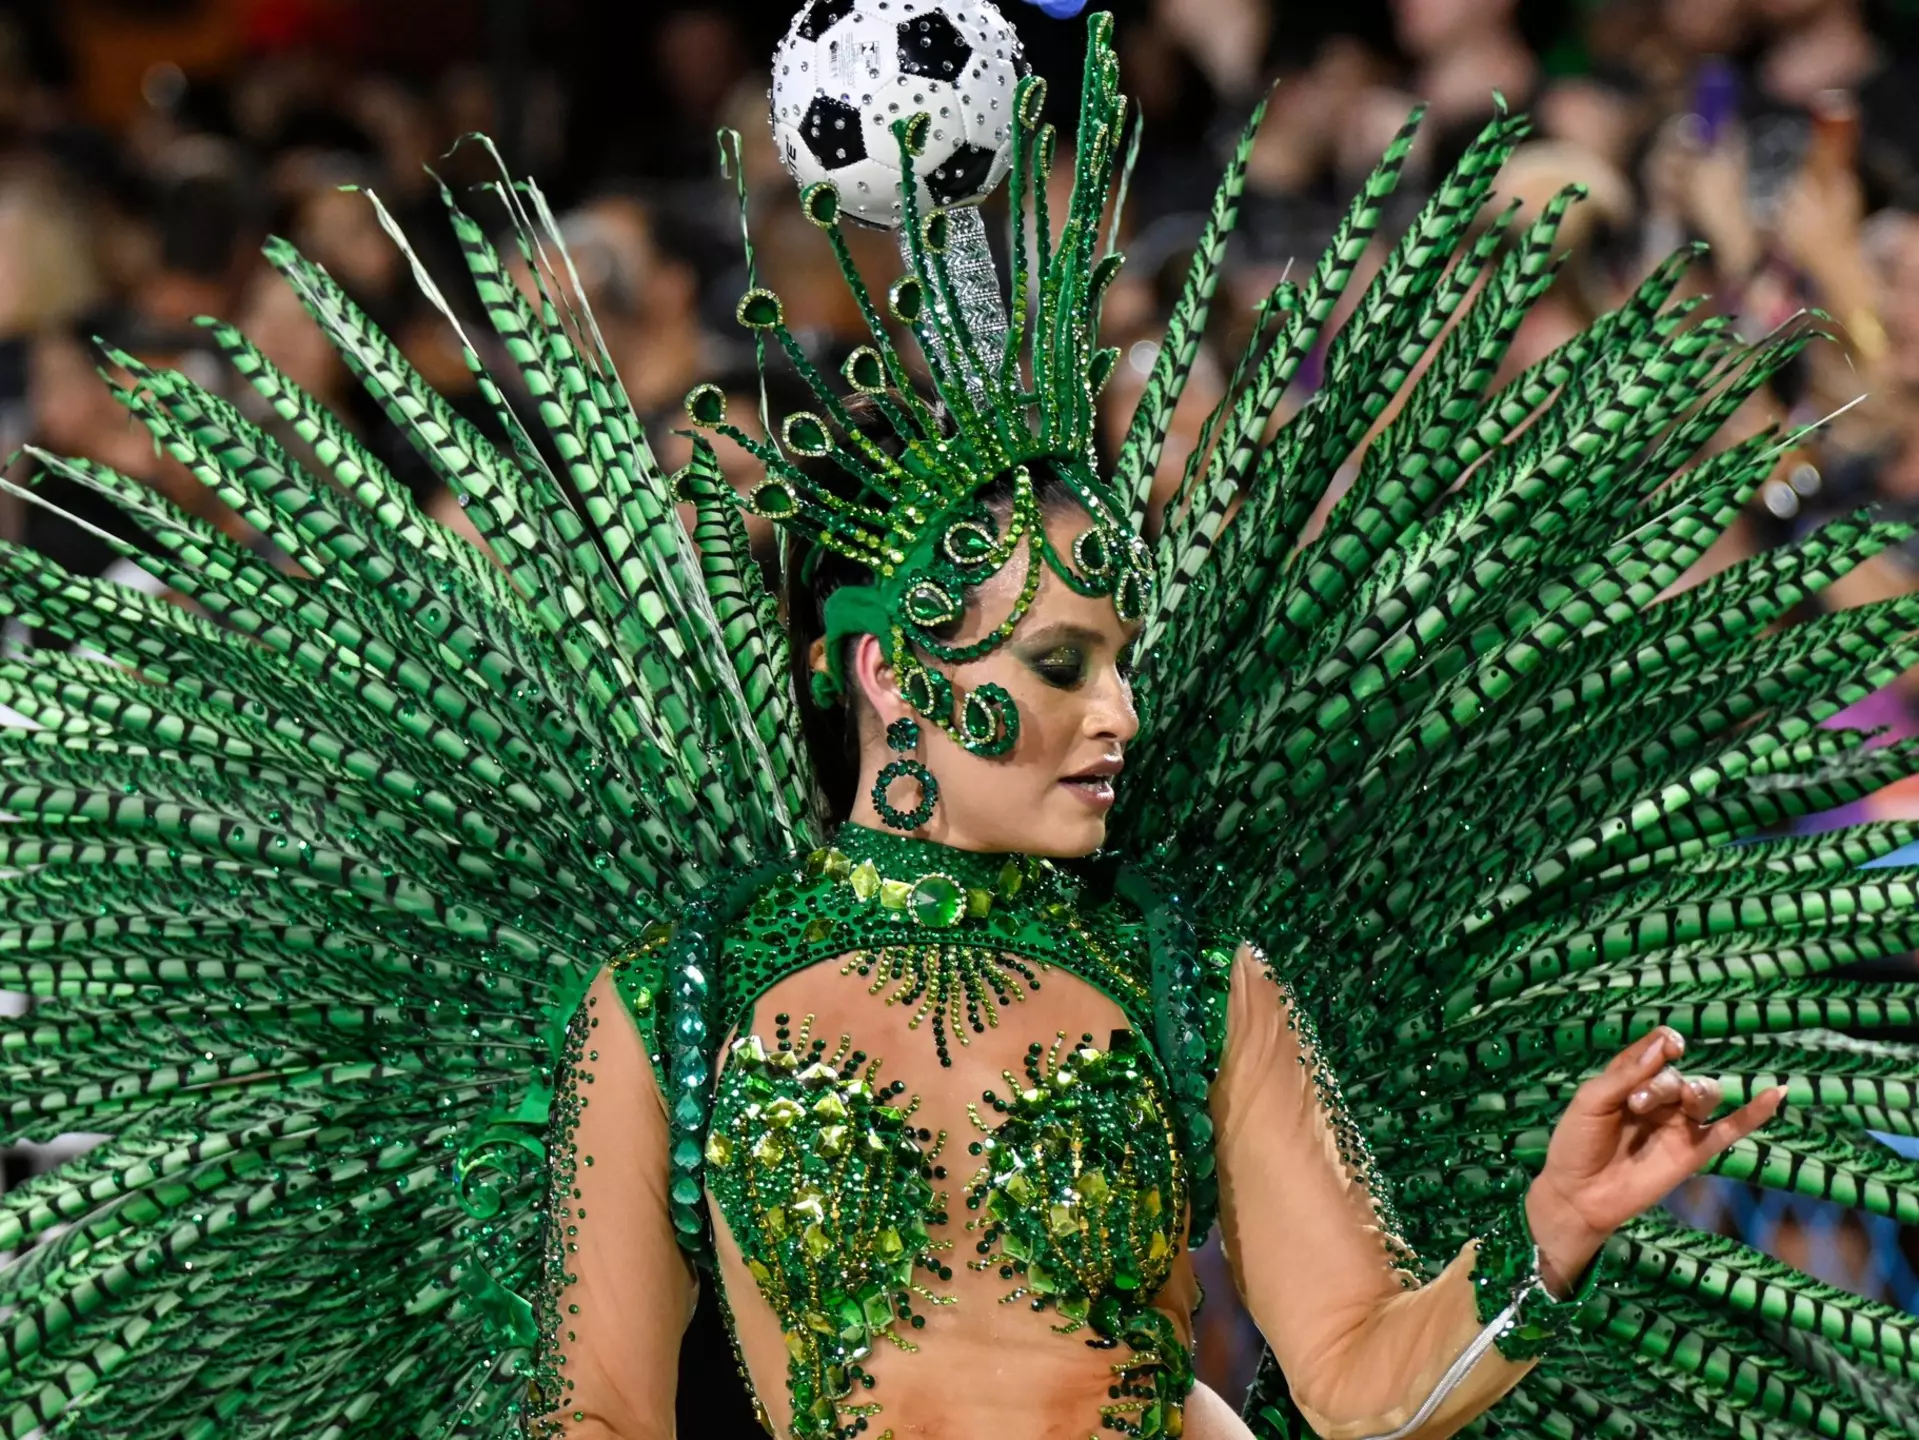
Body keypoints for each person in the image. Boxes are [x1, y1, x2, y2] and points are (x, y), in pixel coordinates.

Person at [1, 4, 1917, 1440]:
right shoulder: (677, 997)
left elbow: (1347, 1381)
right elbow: (594, 1414)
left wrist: (1545, 1234)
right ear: (886, 671)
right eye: (1063, 663)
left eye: (1124, 658)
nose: (1117, 715)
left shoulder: (1191, 972)